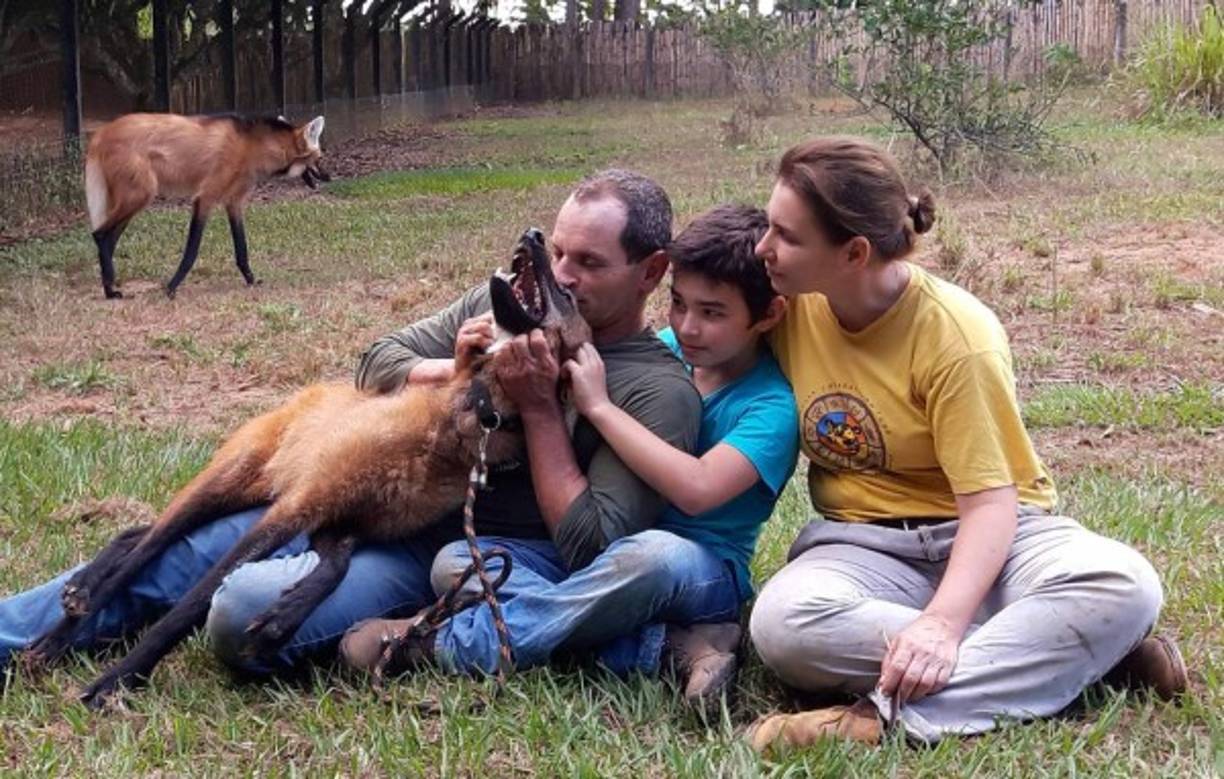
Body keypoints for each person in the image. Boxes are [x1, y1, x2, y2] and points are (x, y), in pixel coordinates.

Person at [0, 169, 703, 692]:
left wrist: (543, 410)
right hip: (369, 494)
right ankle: (15, 634)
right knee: (185, 550)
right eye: (558, 255)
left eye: (590, 263)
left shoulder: (653, 391)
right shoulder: (507, 309)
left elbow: (589, 547)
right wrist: (448, 364)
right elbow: (376, 362)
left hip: (446, 560)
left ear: (652, 271)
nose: (563, 276)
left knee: (241, 609)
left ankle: (413, 633)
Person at [743, 137, 1186, 750]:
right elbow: (696, 333)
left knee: (1123, 583)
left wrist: (946, 625)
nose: (764, 248)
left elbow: (990, 505)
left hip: (993, 537)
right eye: (770, 226)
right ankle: (1073, 659)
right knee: (782, 625)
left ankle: (876, 721)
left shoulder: (957, 336)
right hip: (864, 546)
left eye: (786, 236)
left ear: (853, 252)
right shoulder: (785, 307)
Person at [344, 204, 799, 710]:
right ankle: (665, 648)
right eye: (678, 304)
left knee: (649, 556)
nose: (688, 326)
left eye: (712, 313)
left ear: (769, 315)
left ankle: (437, 643)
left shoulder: (771, 407)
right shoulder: (666, 350)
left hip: (698, 571)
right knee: (456, 562)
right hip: (601, 564)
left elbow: (695, 491)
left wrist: (600, 408)